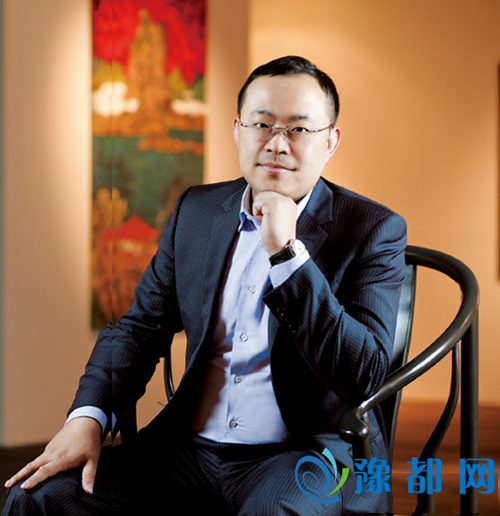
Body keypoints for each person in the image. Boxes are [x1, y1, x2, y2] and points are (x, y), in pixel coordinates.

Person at [3, 56, 406, 515]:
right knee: (36, 499)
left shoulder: (372, 229)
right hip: (186, 450)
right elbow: (139, 329)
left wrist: (287, 255)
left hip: (303, 453)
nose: (277, 144)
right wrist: (86, 418)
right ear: (238, 130)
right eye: (262, 124)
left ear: (330, 141)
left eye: (298, 129)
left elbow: (365, 375)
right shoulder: (196, 211)